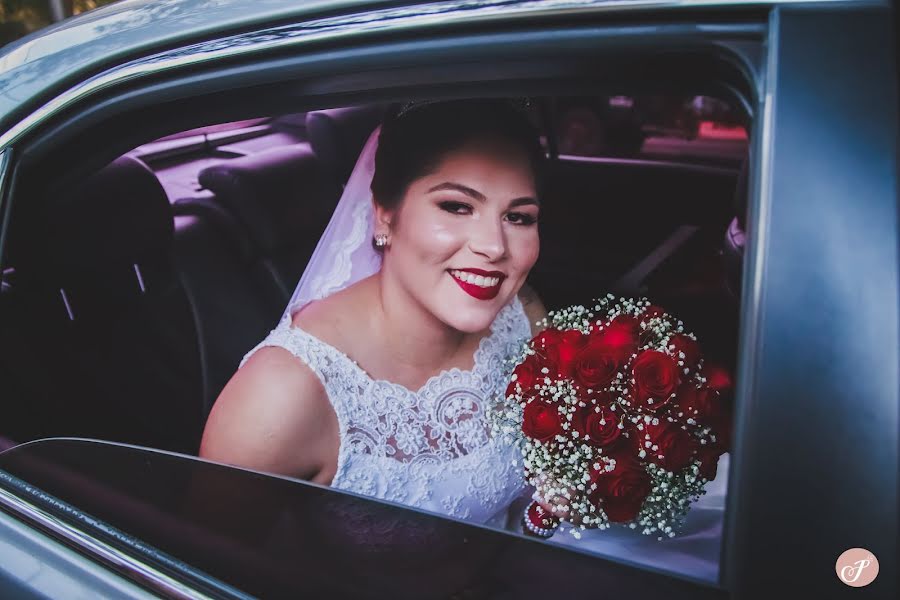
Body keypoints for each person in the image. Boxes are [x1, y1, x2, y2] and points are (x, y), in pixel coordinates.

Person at [199, 98, 549, 529]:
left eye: (518, 216)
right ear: (384, 215)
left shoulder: (522, 315)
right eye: (456, 206)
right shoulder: (281, 396)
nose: (494, 246)